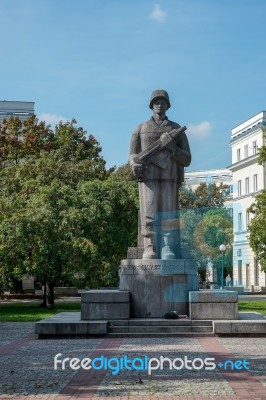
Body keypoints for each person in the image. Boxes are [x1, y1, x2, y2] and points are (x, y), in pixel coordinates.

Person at [129, 89, 191, 259]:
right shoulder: (140, 128)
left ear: (167, 105)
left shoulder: (176, 128)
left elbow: (187, 159)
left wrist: (173, 148)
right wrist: (134, 165)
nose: (159, 105)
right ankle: (150, 246)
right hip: (148, 177)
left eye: (162, 102)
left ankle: (167, 246)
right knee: (149, 210)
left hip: (170, 177)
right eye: (156, 102)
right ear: (151, 105)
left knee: (168, 212)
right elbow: (133, 155)